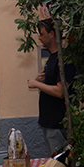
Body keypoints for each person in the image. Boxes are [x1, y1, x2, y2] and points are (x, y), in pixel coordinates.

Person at [26, 18, 76, 157]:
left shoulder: (63, 58)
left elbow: (61, 91)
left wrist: (37, 84)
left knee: (59, 166)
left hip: (58, 123)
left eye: (42, 34)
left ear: (52, 34)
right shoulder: (52, 57)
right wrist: (40, 80)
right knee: (53, 164)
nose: (39, 37)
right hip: (49, 122)